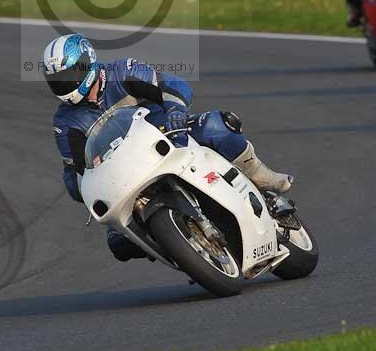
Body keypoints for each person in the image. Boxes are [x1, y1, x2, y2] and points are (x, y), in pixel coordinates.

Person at [42, 33, 292, 262]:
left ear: (88, 63)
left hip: (170, 136)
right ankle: (180, 249)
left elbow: (173, 85)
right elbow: (75, 174)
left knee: (217, 126)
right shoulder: (65, 122)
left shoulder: (121, 71)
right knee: (119, 242)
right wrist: (86, 184)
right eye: (57, 80)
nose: (64, 84)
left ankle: (261, 177)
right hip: (125, 176)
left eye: (68, 75)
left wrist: (175, 109)